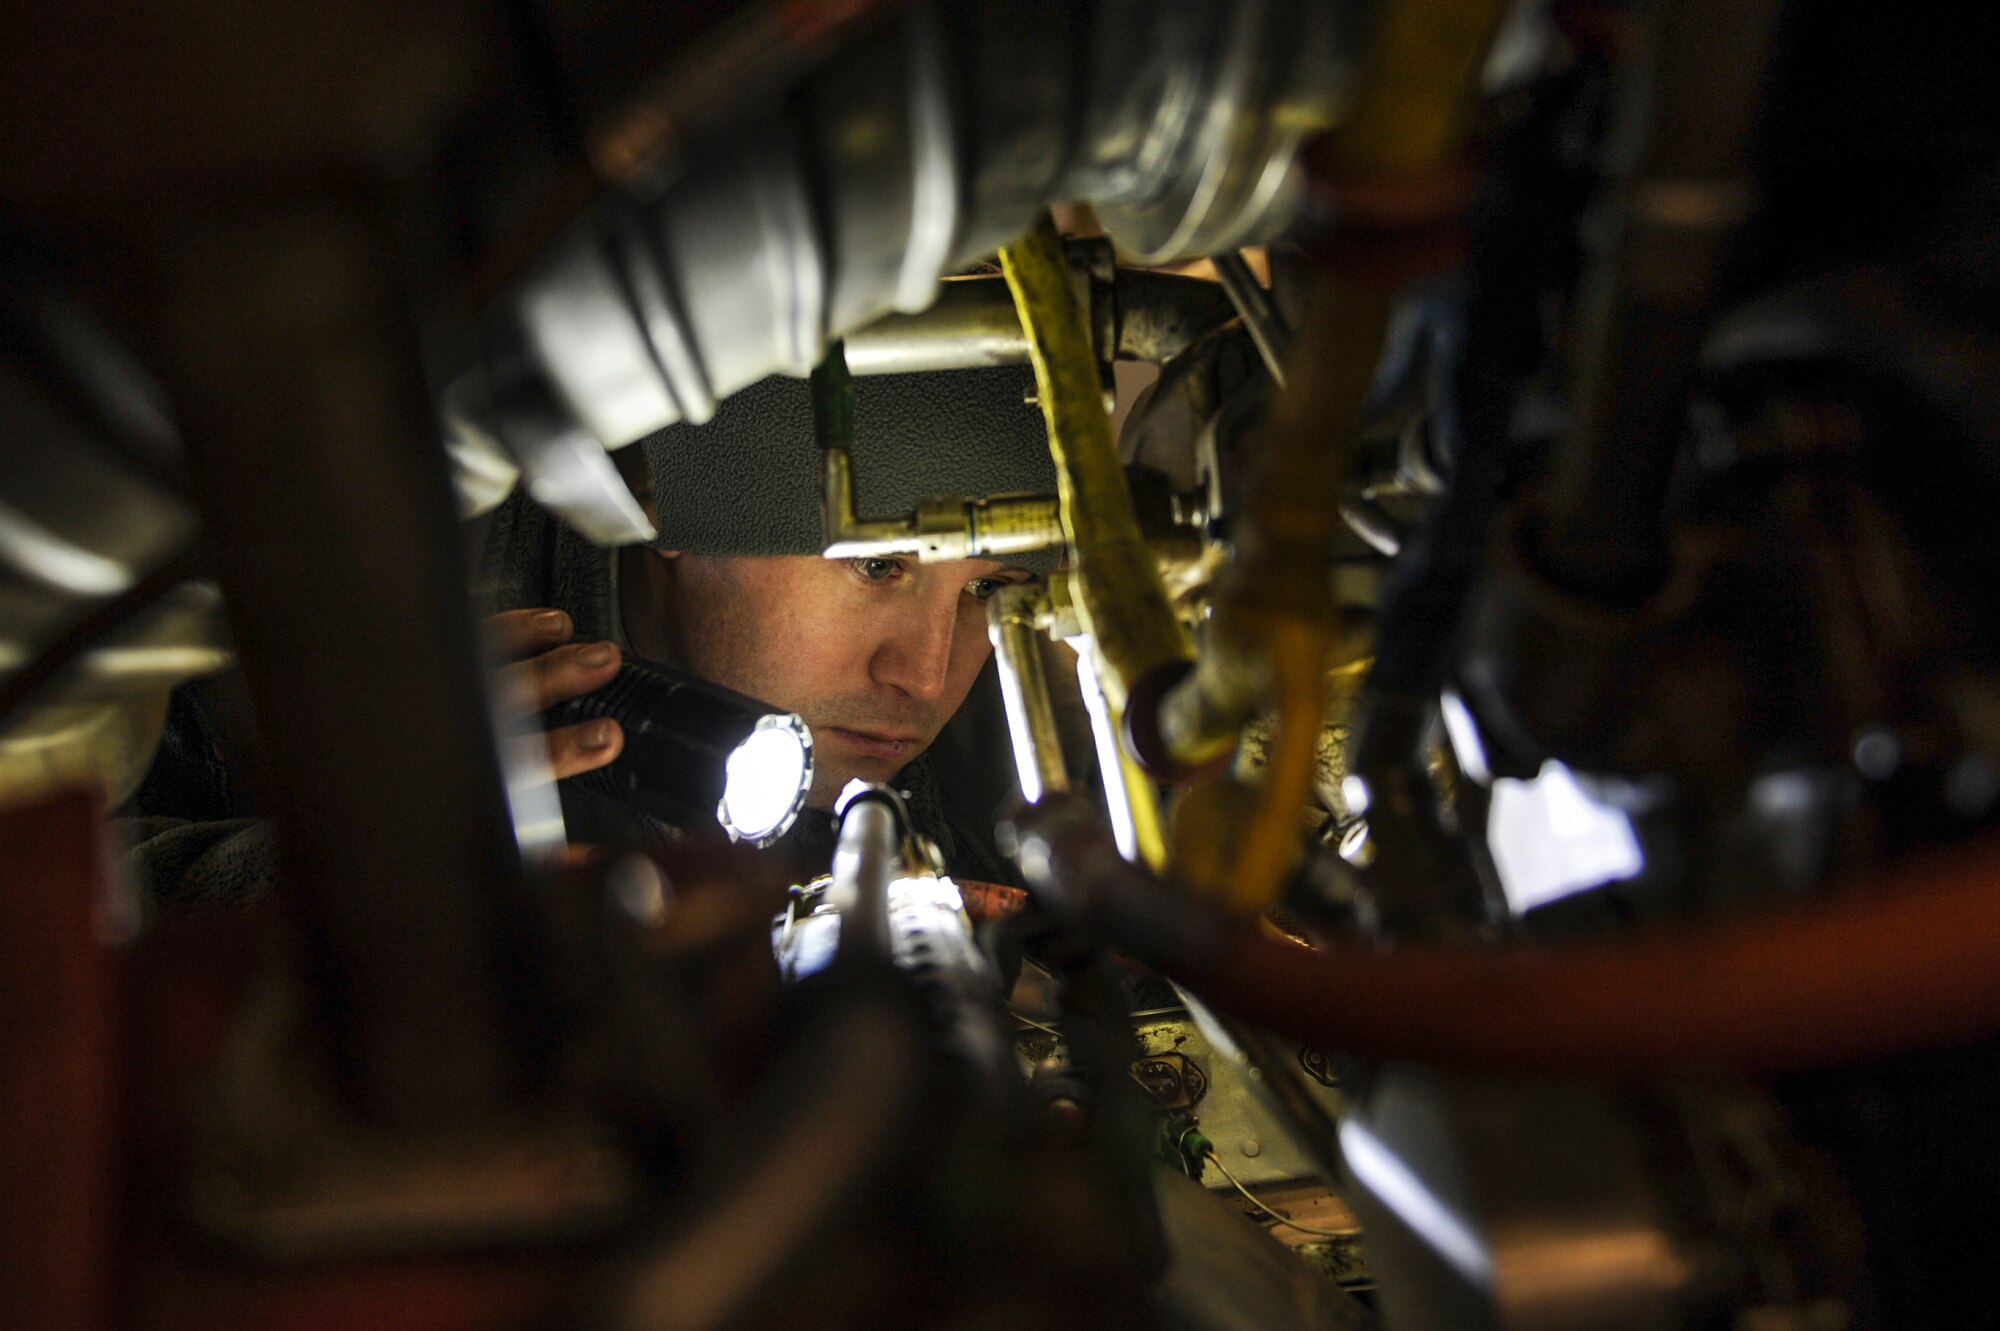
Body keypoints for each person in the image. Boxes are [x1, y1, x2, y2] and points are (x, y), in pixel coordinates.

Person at [127, 362, 1057, 907]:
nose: (926, 677)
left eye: (987, 589)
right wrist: (383, 861)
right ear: (668, 506)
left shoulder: (1010, 728)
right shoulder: (328, 604)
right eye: (878, 567)